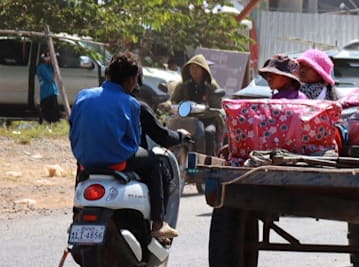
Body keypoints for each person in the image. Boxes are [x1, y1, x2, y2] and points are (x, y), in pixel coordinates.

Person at [69, 52, 187, 240]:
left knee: (81, 168)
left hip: (85, 159)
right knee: (156, 162)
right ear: (132, 79)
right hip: (118, 160)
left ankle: (76, 217)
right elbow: (133, 141)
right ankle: (158, 224)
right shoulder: (132, 103)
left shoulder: (83, 95)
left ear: (108, 75)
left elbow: (73, 126)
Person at [163, 54, 225, 154]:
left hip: (207, 120)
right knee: (166, 130)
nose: (194, 70)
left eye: (197, 68)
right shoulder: (183, 85)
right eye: (192, 67)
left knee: (209, 132)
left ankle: (208, 161)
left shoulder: (211, 86)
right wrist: (167, 105)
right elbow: (173, 100)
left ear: (203, 69)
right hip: (186, 119)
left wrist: (208, 110)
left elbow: (217, 107)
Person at [36, 50, 61, 124]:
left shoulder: (50, 66)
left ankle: (54, 122)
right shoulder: (42, 67)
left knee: (54, 110)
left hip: (52, 91)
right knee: (48, 111)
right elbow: (50, 77)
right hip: (46, 92)